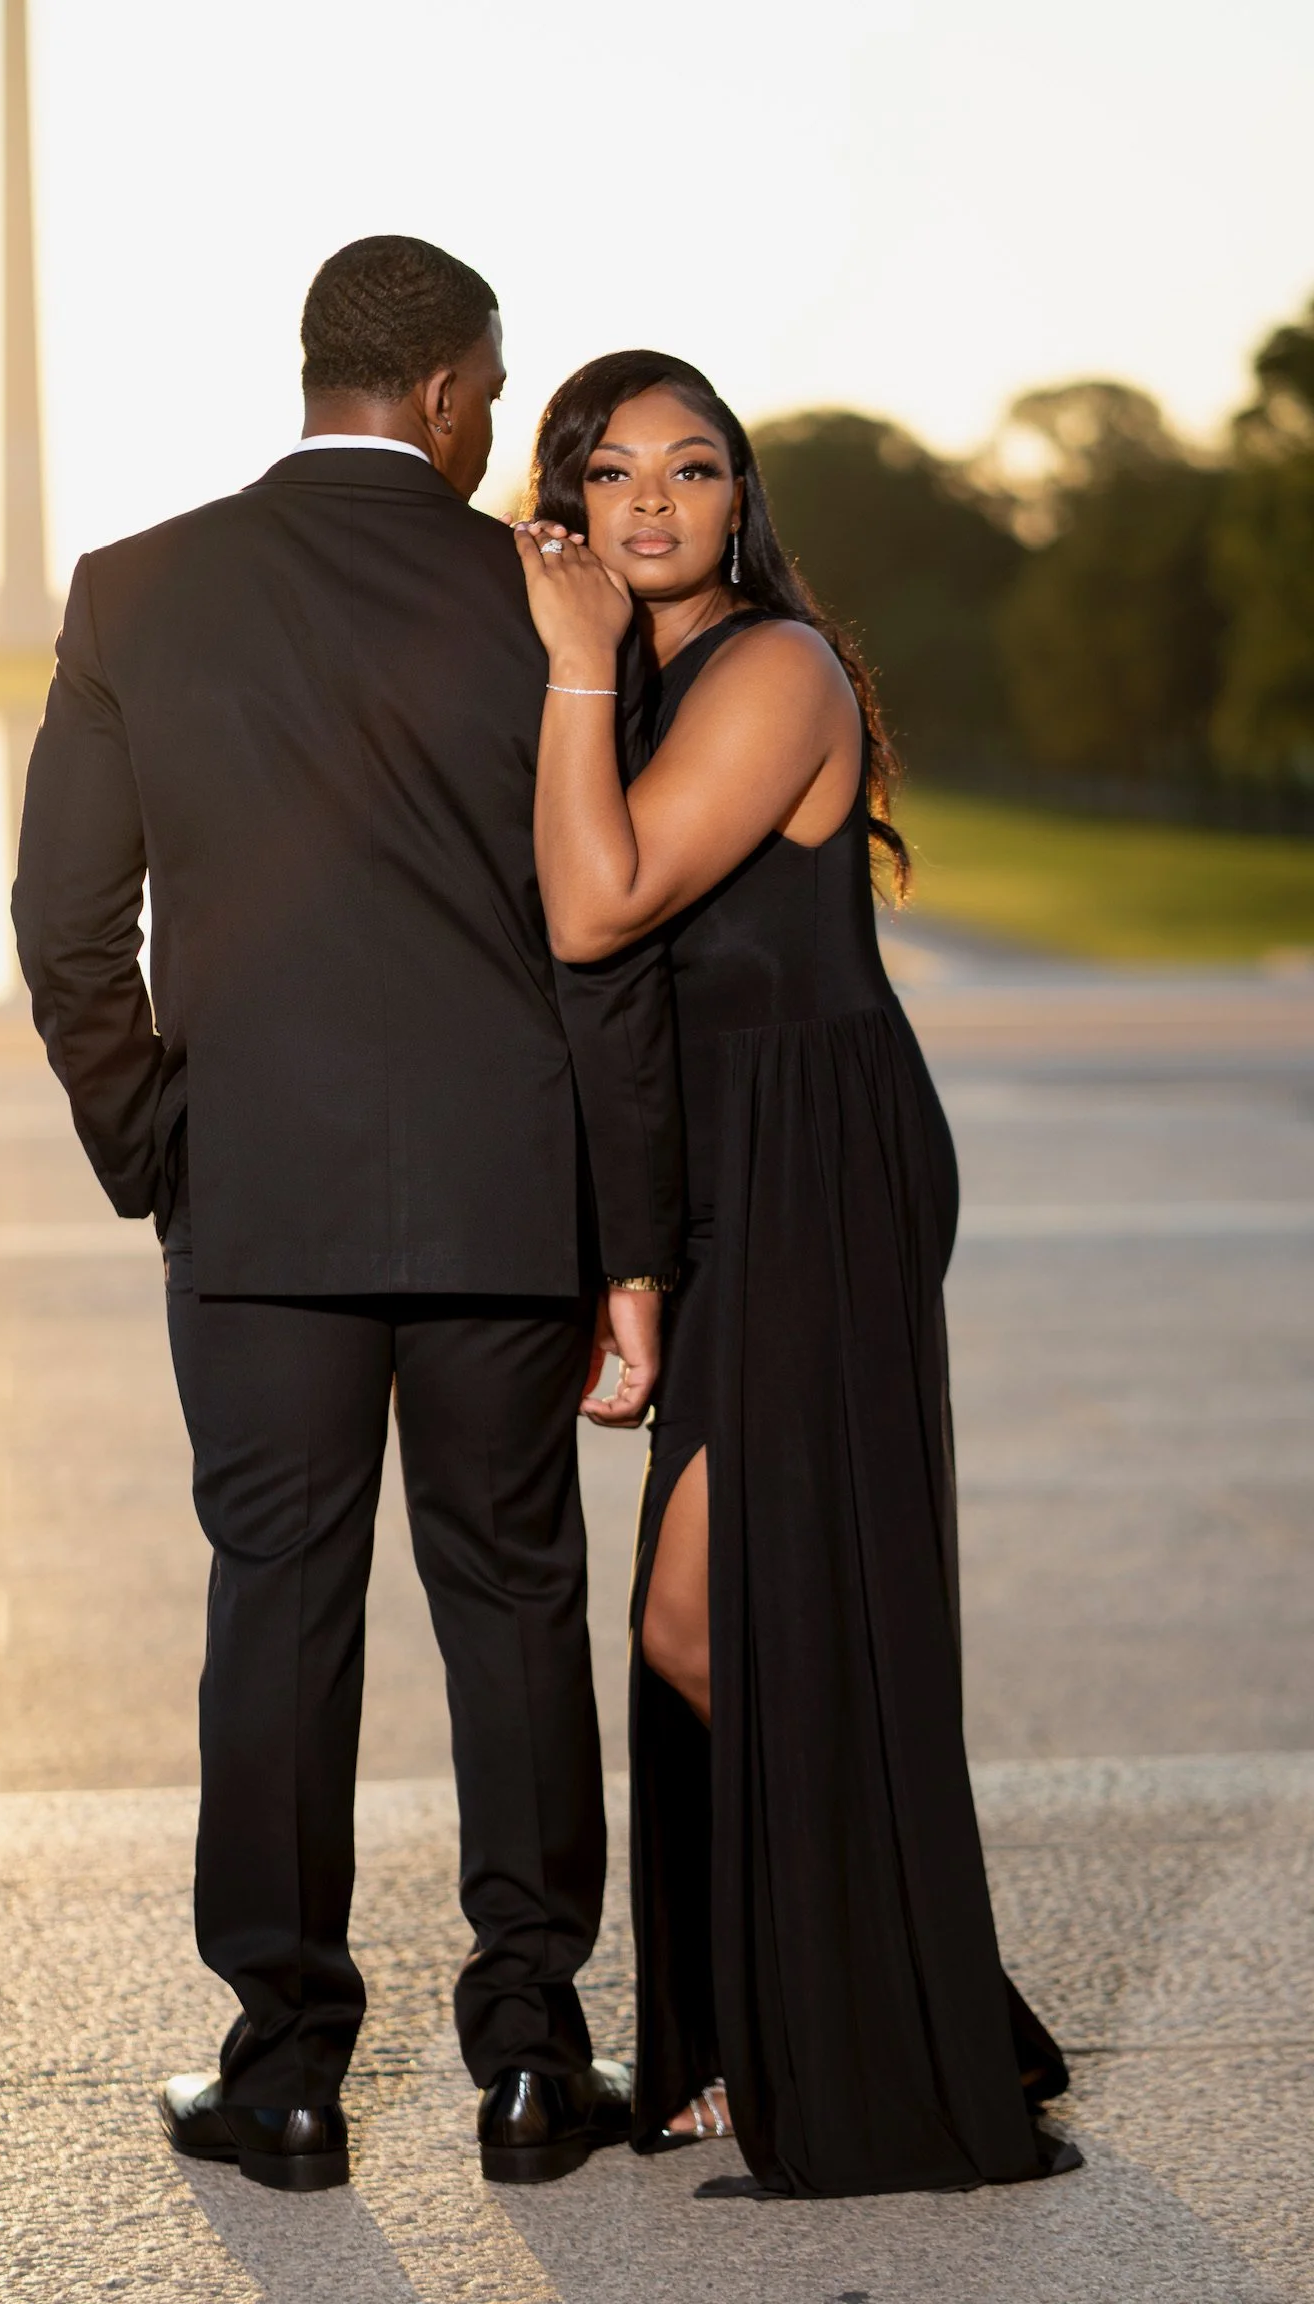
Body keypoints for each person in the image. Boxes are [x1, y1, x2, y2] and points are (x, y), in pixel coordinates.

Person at [11, 242, 684, 2192]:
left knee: (277, 1617)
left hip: (259, 1204)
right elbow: (608, 937)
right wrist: (623, 1232)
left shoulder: (140, 591)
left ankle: (289, 2066)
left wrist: (165, 1145)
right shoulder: (549, 597)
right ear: (463, 394)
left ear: (317, 373)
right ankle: (536, 2058)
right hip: (504, 1195)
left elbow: (67, 933)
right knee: (514, 1605)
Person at [512, 350, 1081, 2199]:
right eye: (616, 474)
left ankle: (887, 2022)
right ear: (572, 504)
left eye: (693, 469)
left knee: (717, 1614)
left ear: (742, 500)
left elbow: (598, 911)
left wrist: (575, 659)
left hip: (822, 1161)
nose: (655, 502)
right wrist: (636, 1258)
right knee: (722, 1607)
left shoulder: (769, 667)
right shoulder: (651, 675)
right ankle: (844, 2013)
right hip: (728, 1173)